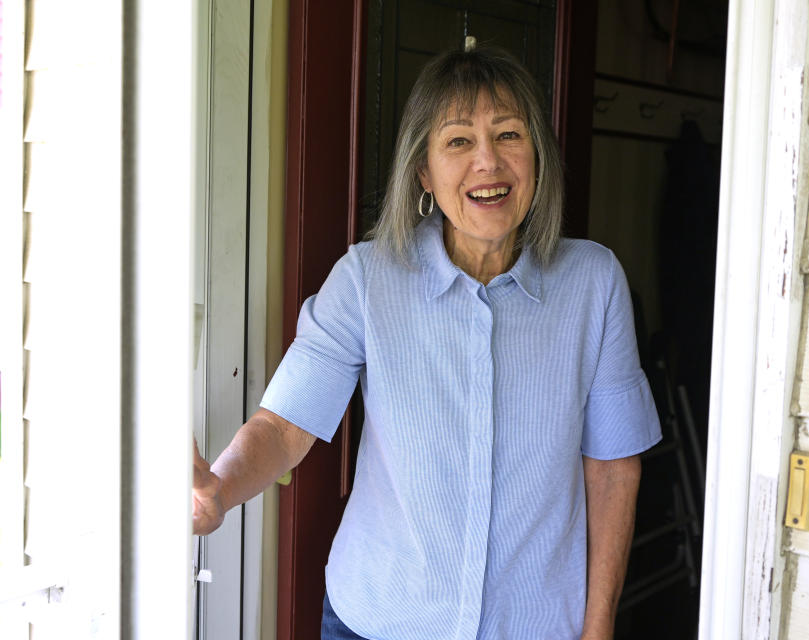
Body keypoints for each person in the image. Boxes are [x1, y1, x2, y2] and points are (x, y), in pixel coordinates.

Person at [193, 44, 661, 640]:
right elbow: (285, 427)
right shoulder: (367, 279)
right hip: (382, 618)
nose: (487, 162)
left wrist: (598, 629)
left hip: (536, 626)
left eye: (510, 135)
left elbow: (614, 467)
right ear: (423, 171)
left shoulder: (594, 282)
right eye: (458, 141)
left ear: (537, 156)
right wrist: (220, 488)